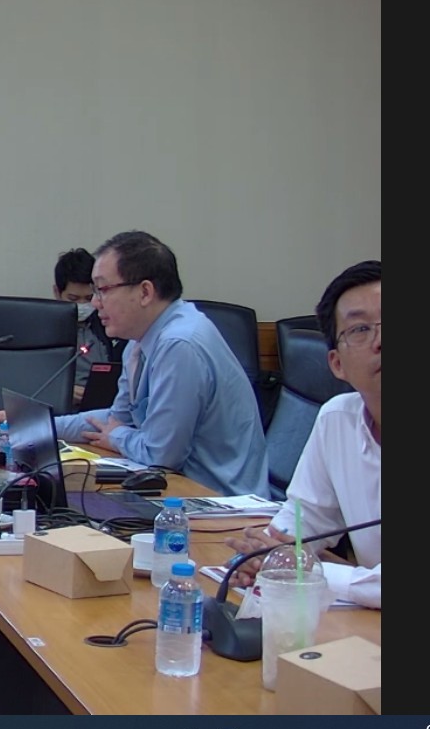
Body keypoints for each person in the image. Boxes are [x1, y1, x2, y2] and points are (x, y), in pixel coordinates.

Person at [50, 231, 269, 497]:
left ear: (145, 292)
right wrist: (42, 429)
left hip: (222, 502)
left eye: (102, 290)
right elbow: (116, 419)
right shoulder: (139, 341)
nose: (95, 303)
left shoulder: (180, 345)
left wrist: (117, 437)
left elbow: (161, 454)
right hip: (176, 488)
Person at [225, 260, 381, 608]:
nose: (380, 340)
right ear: (337, 364)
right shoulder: (337, 418)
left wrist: (309, 570)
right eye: (360, 329)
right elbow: (306, 516)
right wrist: (267, 554)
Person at [54, 247, 121, 403]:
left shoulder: (112, 325)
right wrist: (63, 389)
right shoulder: (43, 331)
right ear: (57, 292)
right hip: (61, 406)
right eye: (73, 298)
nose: (82, 304)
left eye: (89, 298)